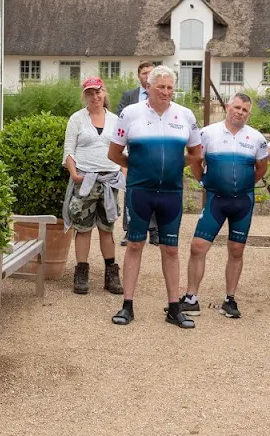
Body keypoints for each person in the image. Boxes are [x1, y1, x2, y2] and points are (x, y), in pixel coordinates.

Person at [107, 65, 202, 328]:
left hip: (171, 193)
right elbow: (114, 154)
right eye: (161, 86)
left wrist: (173, 165)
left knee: (171, 249)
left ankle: (174, 307)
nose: (166, 91)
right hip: (140, 191)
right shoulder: (130, 113)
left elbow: (195, 153)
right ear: (148, 86)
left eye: (170, 87)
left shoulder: (185, 115)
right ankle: (127, 305)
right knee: (135, 246)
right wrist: (137, 168)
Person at [177, 93, 268, 318]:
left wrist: (244, 186)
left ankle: (230, 300)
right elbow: (196, 161)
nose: (240, 112)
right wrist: (203, 181)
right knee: (198, 246)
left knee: (236, 250)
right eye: (237, 107)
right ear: (228, 106)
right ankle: (191, 298)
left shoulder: (257, 138)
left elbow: (261, 168)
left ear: (249, 113)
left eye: (245, 110)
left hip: (242, 203)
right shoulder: (208, 133)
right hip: (216, 200)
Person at [62, 77, 125, 295]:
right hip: (85, 181)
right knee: (83, 228)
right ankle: (81, 272)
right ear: (85, 96)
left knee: (107, 228)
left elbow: (123, 151)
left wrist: (123, 175)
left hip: (109, 181)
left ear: (104, 93)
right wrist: (74, 173)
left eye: (98, 92)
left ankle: (111, 274)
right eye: (90, 93)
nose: (95, 97)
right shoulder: (77, 119)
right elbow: (69, 151)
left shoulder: (116, 120)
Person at [116, 61, 159, 246]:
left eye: (150, 73)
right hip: (134, 149)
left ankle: (155, 231)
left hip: (157, 150)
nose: (147, 75)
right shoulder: (129, 96)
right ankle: (131, 229)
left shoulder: (161, 95)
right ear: (139, 75)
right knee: (132, 189)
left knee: (156, 190)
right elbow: (120, 119)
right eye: (144, 73)